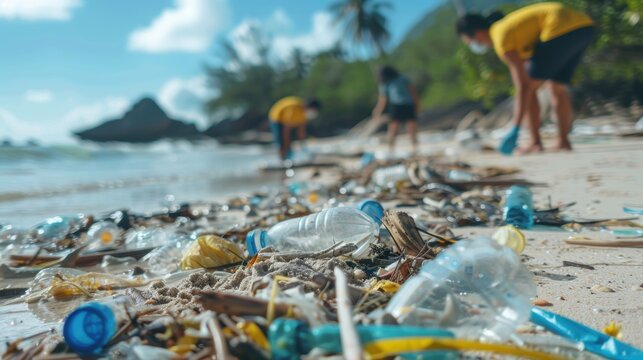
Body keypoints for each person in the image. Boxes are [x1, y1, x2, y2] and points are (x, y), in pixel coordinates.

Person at [456, 2, 596, 153]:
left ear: (475, 33)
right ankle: (563, 141)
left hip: (558, 28)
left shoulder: (499, 37)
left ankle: (535, 143)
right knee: (556, 87)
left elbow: (523, 85)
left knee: (529, 88)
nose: (474, 45)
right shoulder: (511, 30)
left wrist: (515, 127)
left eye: (469, 42)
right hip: (585, 27)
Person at [372, 66, 420, 153]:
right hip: (398, 105)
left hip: (406, 105)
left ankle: (414, 148)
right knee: (395, 127)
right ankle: (391, 148)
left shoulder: (402, 79)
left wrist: (417, 105)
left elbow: (413, 92)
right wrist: (378, 110)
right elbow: (383, 99)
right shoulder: (385, 83)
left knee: (409, 127)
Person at [269, 96, 321, 161]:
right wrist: (287, 144)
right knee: (281, 141)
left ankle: (288, 158)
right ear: (309, 107)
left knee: (289, 143)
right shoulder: (294, 109)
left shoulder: (304, 114)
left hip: (288, 123)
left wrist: (303, 146)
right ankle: (282, 160)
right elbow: (286, 130)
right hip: (277, 119)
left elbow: (301, 131)